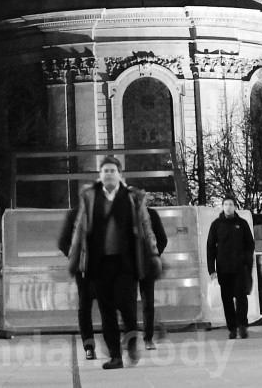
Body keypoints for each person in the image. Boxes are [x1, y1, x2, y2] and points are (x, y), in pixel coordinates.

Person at [66, 156, 163, 369]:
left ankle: (131, 343)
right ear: (100, 175)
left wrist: (154, 254)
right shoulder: (90, 198)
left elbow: (146, 228)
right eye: (105, 170)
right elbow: (80, 229)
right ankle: (115, 356)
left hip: (125, 264)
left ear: (120, 174)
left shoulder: (132, 198)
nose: (108, 173)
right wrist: (74, 257)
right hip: (99, 265)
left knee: (127, 306)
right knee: (106, 309)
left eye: (112, 170)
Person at [206, 196, 255, 339]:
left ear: (235, 207)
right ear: (222, 206)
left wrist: (245, 259)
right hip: (223, 268)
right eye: (226, 204)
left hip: (240, 268)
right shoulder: (216, 224)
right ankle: (232, 327)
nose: (228, 207)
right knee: (226, 299)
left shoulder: (242, 223)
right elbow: (210, 247)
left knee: (241, 296)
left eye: (231, 204)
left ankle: (242, 325)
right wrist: (212, 269)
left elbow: (250, 244)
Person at [58, 204, 100, 359]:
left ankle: (108, 345)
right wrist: (77, 256)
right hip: (84, 270)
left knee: (105, 307)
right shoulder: (75, 215)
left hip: (103, 268)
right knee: (85, 307)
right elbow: (63, 242)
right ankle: (89, 346)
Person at [140, 206, 168, 349]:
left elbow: (162, 238)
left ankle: (148, 338)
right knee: (126, 304)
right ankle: (129, 337)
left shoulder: (151, 214)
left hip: (147, 265)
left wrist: (154, 255)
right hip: (128, 266)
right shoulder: (124, 213)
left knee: (148, 304)